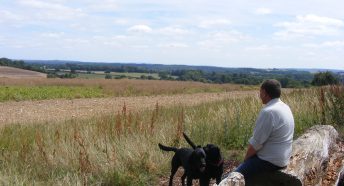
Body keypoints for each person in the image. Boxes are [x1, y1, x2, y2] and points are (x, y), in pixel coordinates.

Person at [234, 79, 295, 181]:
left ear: (265, 93)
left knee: (233, 177)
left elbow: (256, 144)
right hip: (283, 158)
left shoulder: (268, 112)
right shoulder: (285, 107)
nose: (259, 95)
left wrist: (245, 161)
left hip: (269, 161)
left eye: (260, 92)